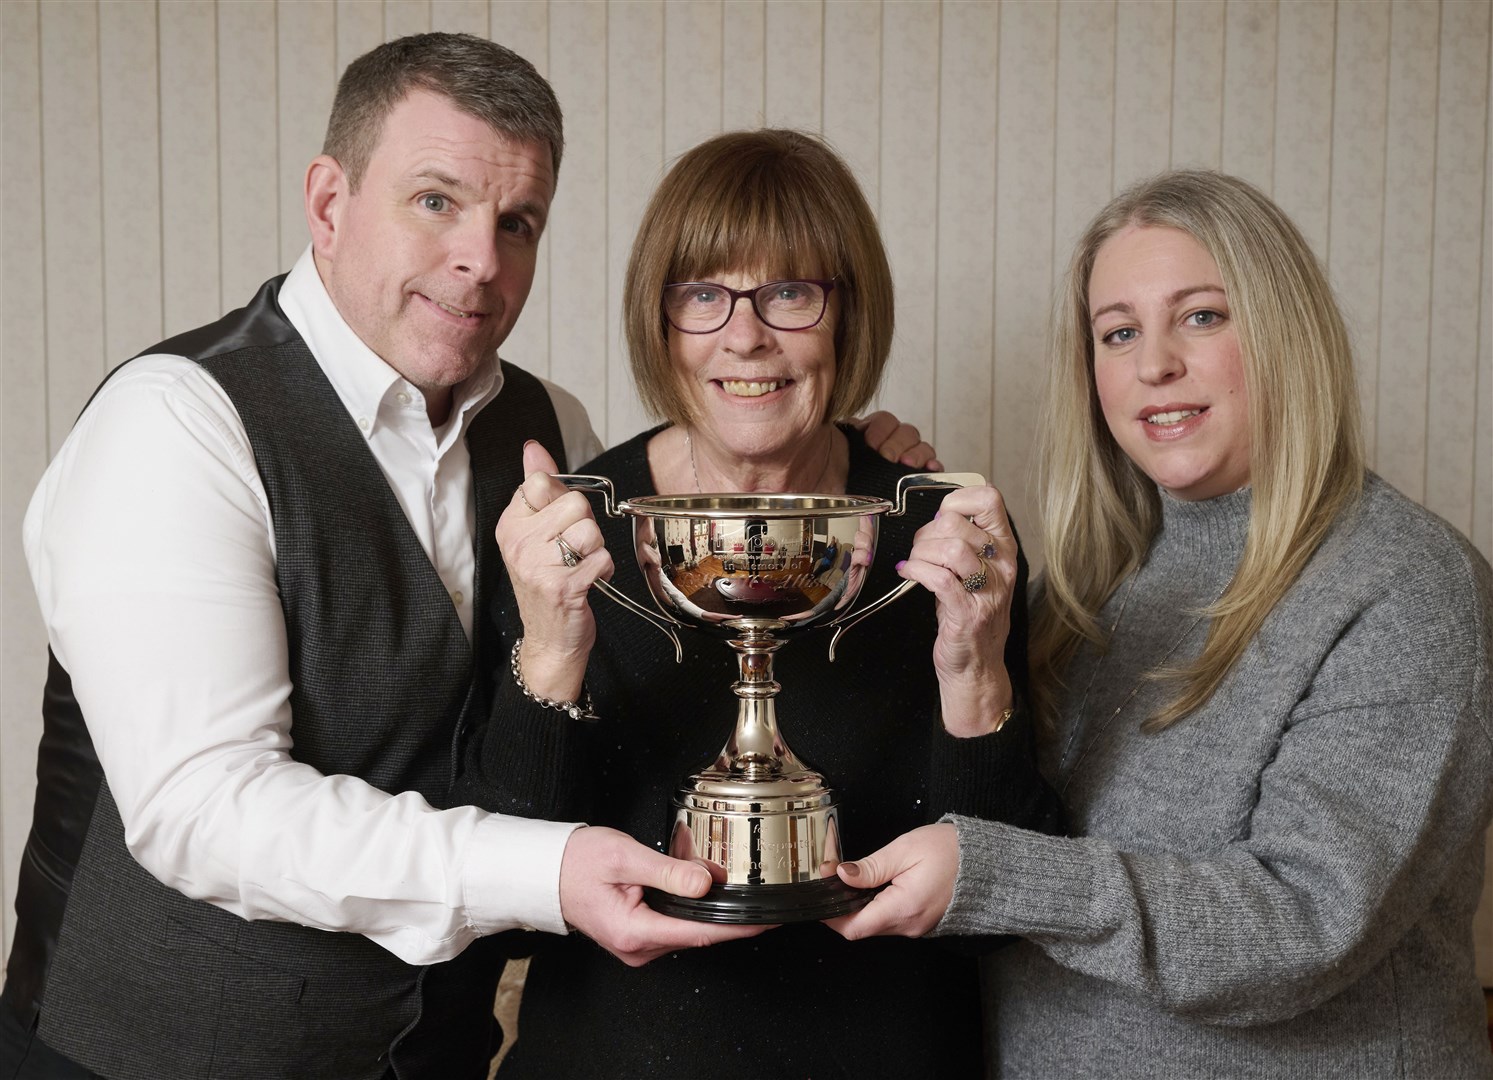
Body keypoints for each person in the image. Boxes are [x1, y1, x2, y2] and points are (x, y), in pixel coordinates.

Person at [0, 35, 935, 1080]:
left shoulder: (551, 430)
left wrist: (850, 454)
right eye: (434, 201)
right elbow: (205, 811)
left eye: (516, 222)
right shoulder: (175, 424)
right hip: (150, 1055)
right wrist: (549, 871)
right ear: (328, 202)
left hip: (439, 1059)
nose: (479, 261)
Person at [828, 170, 1493, 1077]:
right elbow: (981, 801)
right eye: (1118, 332)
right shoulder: (1087, 584)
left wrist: (995, 876)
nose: (1153, 365)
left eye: (1202, 316)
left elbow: (1303, 925)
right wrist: (855, 480)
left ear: (1283, 329)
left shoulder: (1407, 586)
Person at [454, 129, 1062, 1078]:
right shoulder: (569, 535)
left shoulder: (945, 538)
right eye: (704, 295)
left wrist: (974, 670)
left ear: (845, 316)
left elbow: (999, 920)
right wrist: (549, 653)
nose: (745, 336)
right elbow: (499, 909)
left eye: (789, 293)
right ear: (659, 320)